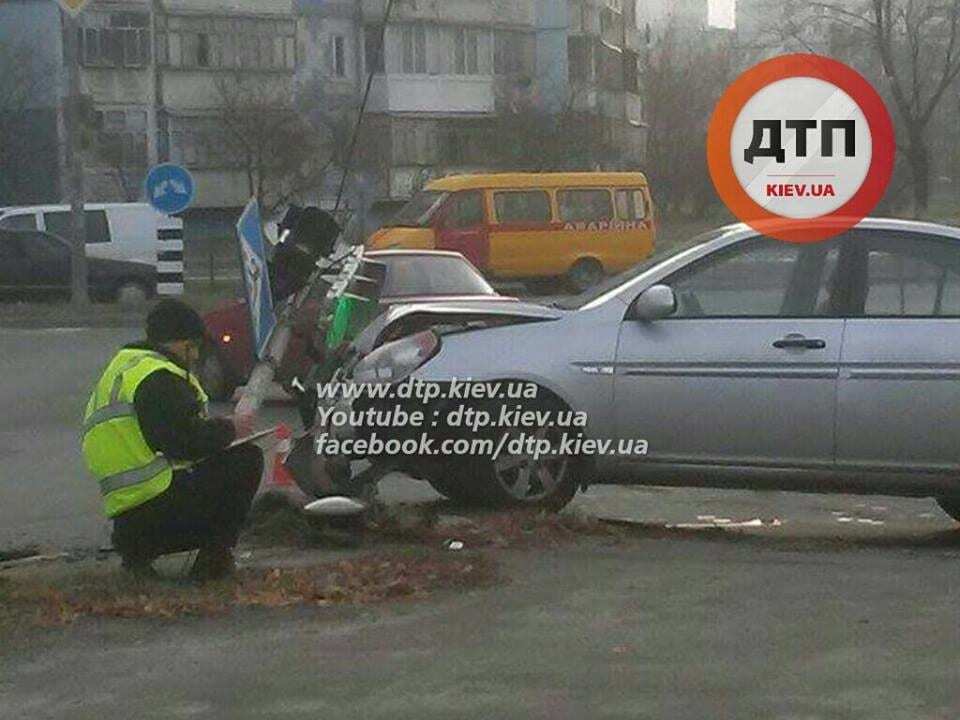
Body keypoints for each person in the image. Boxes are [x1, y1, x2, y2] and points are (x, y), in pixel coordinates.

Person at [82, 299, 264, 580]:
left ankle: (137, 560)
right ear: (181, 343)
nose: (194, 357)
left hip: (127, 521)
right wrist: (231, 430)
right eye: (193, 348)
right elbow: (184, 442)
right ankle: (214, 561)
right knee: (246, 459)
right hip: (159, 515)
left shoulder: (124, 368)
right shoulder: (158, 378)